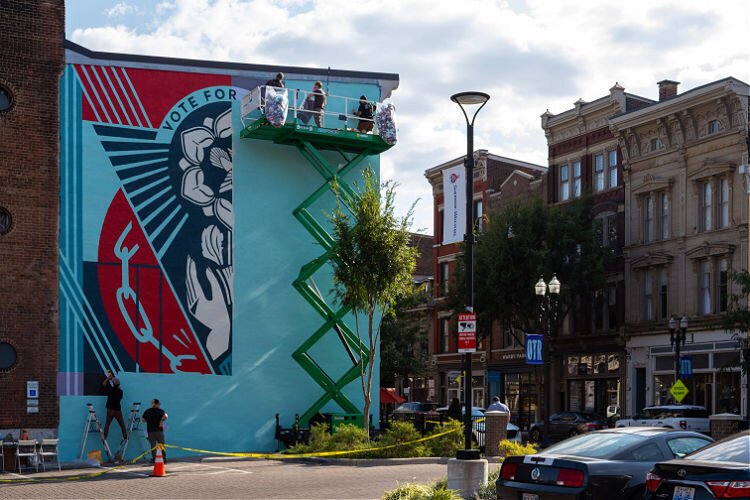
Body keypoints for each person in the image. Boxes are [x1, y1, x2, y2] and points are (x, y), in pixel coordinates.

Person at [102, 369, 127, 441]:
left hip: (110, 410)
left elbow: (103, 384)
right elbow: (120, 397)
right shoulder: (120, 392)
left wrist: (108, 379)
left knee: (107, 424)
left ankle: (105, 437)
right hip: (117, 410)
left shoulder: (110, 389)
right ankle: (124, 435)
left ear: (113, 383)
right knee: (122, 424)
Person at [142, 399, 168, 463]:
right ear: (156, 404)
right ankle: (163, 458)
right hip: (159, 431)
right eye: (159, 404)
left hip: (150, 432)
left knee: (153, 446)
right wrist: (161, 420)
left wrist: (149, 421)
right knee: (161, 444)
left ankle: (154, 459)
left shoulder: (147, 411)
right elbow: (166, 416)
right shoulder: (160, 411)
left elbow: (143, 420)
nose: (159, 405)